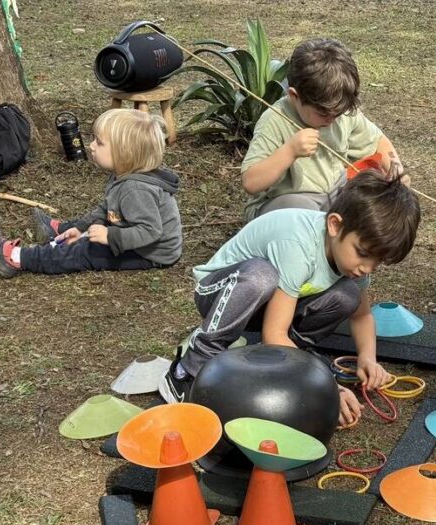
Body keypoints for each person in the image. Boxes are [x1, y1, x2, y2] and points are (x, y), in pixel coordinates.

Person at [158, 170, 420, 428]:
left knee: (347, 295)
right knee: (261, 276)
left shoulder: (353, 261)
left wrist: (368, 358)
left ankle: (283, 365)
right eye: (363, 253)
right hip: (219, 293)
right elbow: (274, 333)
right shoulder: (298, 244)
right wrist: (329, 387)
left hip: (264, 306)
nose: (367, 267)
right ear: (335, 225)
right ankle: (188, 368)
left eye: (378, 262)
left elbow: (361, 315)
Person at [0, 109, 182, 277]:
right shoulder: (124, 175)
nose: (91, 146)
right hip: (135, 239)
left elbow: (150, 231)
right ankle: (60, 231)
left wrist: (110, 236)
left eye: (99, 142)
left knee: (85, 251)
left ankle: (17, 259)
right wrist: (80, 228)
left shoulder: (136, 190)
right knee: (88, 234)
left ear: (125, 154)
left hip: (150, 253)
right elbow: (107, 209)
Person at [240, 37, 409, 222]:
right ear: (295, 96)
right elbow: (251, 182)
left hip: (332, 196)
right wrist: (289, 151)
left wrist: (397, 173)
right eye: (323, 114)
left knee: (372, 198)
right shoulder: (275, 120)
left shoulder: (339, 113)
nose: (331, 120)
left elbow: (378, 142)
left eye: (337, 114)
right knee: (301, 211)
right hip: (283, 204)